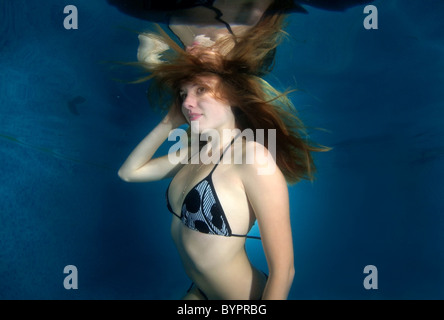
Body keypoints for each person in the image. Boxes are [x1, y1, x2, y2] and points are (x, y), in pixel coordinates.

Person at [117, 19, 329, 299]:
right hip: (200, 292)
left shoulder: (253, 158)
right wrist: (171, 119)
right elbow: (129, 172)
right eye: (183, 94)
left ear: (233, 95)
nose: (187, 102)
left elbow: (284, 270)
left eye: (201, 90)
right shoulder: (198, 151)